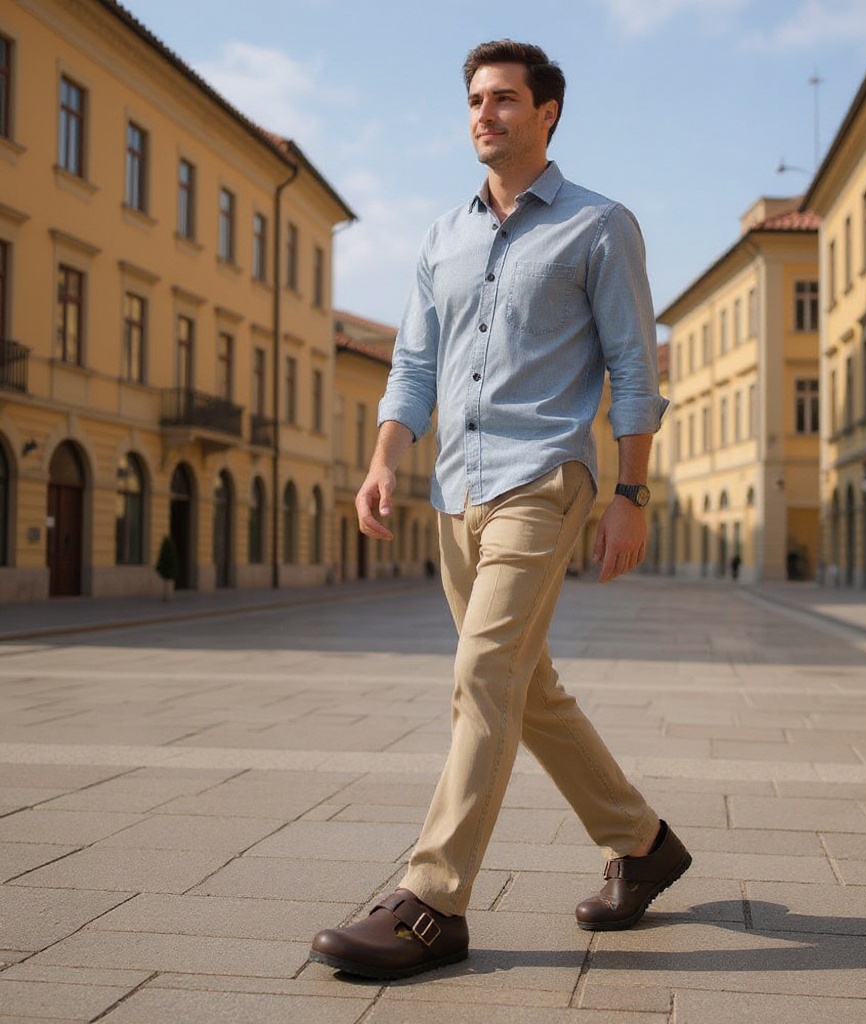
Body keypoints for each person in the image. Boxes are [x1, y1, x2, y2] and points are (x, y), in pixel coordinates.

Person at [310, 39, 691, 981]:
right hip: (456, 490)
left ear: (548, 112)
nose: (485, 113)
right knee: (526, 686)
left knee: (482, 674)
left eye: (506, 99)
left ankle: (433, 902)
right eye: (476, 99)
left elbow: (635, 370)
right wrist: (383, 460)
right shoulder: (443, 236)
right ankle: (641, 844)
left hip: (545, 475)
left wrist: (630, 494)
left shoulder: (600, 226)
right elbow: (414, 366)